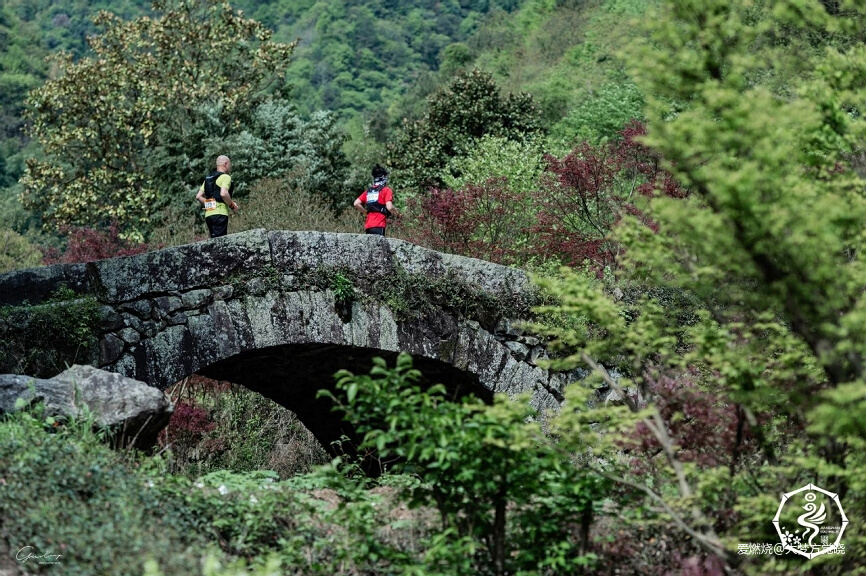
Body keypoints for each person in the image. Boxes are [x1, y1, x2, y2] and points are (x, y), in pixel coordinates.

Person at [196, 155, 239, 238]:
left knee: (214, 241)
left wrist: (211, 204)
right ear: (225, 164)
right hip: (220, 214)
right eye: (230, 165)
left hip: (208, 215)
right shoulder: (226, 177)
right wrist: (233, 206)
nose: (230, 167)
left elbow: (198, 196)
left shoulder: (208, 179)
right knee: (220, 243)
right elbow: (224, 194)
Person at [353, 165, 396, 236]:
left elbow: (356, 203)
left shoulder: (368, 191)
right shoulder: (386, 190)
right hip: (379, 224)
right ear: (383, 178)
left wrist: (365, 212)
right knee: (380, 246)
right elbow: (390, 207)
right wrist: (396, 212)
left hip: (368, 225)